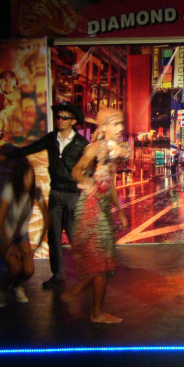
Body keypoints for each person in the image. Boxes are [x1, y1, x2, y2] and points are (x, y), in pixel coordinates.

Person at [0, 102, 89, 289]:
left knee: (75, 236)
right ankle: (58, 276)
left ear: (73, 121)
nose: (59, 120)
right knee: (53, 237)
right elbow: (30, 148)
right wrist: (5, 156)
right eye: (58, 117)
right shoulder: (52, 139)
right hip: (55, 193)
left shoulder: (81, 143)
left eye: (64, 118)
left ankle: (86, 274)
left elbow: (90, 165)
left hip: (73, 195)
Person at [60, 107, 131, 323]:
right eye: (116, 124)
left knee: (104, 261)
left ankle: (75, 294)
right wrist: (88, 182)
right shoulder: (95, 148)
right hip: (91, 206)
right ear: (104, 126)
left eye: (121, 123)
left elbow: (110, 183)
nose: (121, 128)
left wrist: (120, 211)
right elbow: (76, 170)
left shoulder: (115, 151)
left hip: (103, 208)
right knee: (101, 262)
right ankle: (96, 313)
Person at [0, 158, 51, 308]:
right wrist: (10, 246)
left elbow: (46, 217)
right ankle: (2, 291)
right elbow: (0, 221)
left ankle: (17, 286)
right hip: (0, 233)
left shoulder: (35, 191)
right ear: (19, 177)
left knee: (28, 271)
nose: (30, 180)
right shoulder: (10, 190)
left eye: (31, 176)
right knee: (16, 268)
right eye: (26, 176)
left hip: (20, 234)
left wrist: (39, 242)